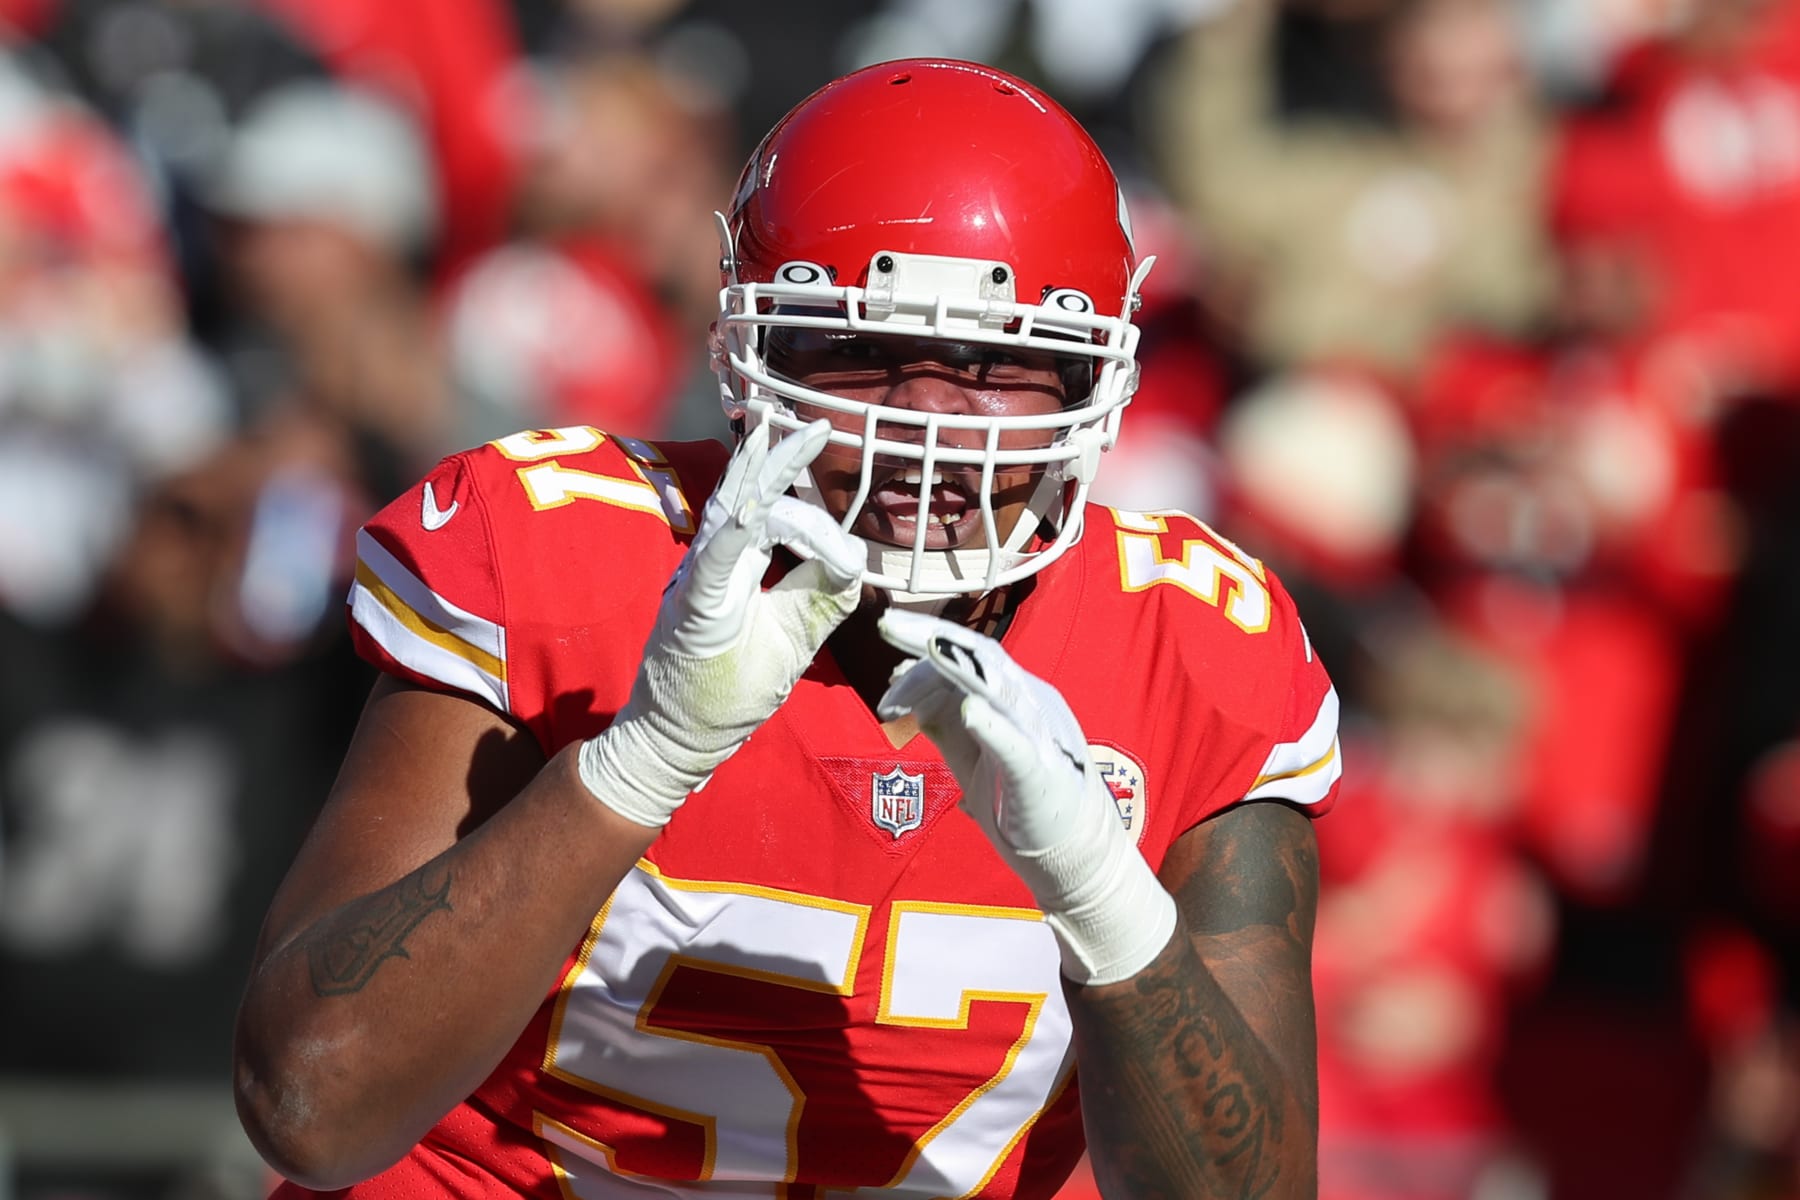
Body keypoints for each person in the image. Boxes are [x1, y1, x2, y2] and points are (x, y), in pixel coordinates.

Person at [232, 58, 1343, 1199]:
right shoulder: (563, 556)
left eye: (997, 363)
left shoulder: (1192, 648)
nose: (927, 422)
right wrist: (637, 765)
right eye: (856, 348)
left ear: (1092, 377)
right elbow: (310, 1106)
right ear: (750, 351)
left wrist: (1109, 908)